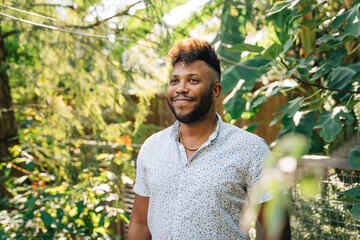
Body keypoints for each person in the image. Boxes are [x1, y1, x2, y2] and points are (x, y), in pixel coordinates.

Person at [127, 38, 290, 240]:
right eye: (174, 80)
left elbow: (277, 227)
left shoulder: (250, 148)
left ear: (216, 91)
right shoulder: (152, 147)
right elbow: (140, 223)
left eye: (193, 80)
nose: (181, 88)